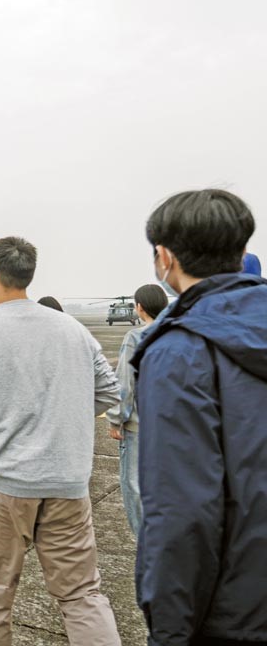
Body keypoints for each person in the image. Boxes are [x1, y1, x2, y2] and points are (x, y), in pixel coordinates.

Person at [0, 236, 121, 644]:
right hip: (69, 482)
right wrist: (63, 419)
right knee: (82, 594)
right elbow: (110, 392)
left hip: (3, 482)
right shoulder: (72, 329)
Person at [131, 189, 267, 644]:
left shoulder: (178, 351)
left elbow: (181, 510)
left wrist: (169, 631)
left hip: (233, 608)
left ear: (164, 257)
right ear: (243, 251)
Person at [104, 284, 167, 538]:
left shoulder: (136, 337)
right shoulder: (180, 333)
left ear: (139, 307)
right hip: (175, 426)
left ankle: (148, 544)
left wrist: (116, 418)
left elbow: (125, 383)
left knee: (135, 486)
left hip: (140, 426)